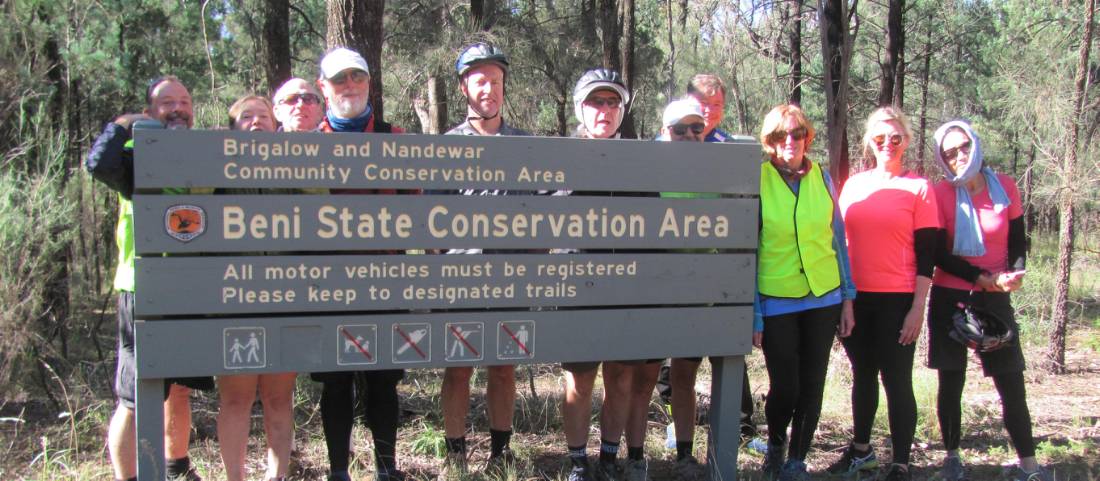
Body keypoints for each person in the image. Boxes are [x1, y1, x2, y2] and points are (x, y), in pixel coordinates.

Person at [84, 75, 213, 481]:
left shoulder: (200, 154)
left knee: (179, 388)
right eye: (167, 102)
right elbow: (98, 164)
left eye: (185, 101)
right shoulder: (134, 154)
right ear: (149, 111)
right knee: (139, 395)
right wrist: (124, 124)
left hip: (189, 288)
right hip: (144, 289)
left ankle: (177, 467)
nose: (178, 109)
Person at [928, 120, 1052, 481]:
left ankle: (1029, 465)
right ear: (942, 158)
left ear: (975, 144)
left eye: (964, 146)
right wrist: (980, 277)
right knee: (951, 381)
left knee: (1010, 381)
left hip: (995, 298)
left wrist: (1016, 273)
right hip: (952, 296)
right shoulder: (939, 193)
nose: (958, 155)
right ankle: (952, 458)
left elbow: (1017, 239)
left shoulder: (1005, 186)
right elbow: (938, 253)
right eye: (949, 152)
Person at [310, 47, 406, 481]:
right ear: (324, 87)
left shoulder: (395, 137)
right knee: (336, 381)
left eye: (357, 77)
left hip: (387, 282)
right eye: (339, 79)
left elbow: (421, 212)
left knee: (383, 379)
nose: (349, 85)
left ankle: (387, 468)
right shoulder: (308, 143)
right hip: (328, 285)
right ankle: (338, 471)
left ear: (369, 82)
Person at [831, 106, 939, 481]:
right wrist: (845, 300)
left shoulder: (919, 188)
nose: (887, 144)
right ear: (869, 142)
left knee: (896, 379)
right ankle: (861, 452)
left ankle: (901, 462)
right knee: (863, 374)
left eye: (895, 137)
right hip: (857, 298)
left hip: (899, 299)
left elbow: (928, 254)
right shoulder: (854, 185)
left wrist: (918, 308)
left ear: (906, 141)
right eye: (879, 137)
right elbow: (840, 245)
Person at [439, 42, 529, 477]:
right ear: (464, 87)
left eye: (495, 80)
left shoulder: (524, 145)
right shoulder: (447, 146)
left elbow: (544, 213)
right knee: (458, 370)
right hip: (461, 279)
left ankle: (500, 453)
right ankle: (455, 454)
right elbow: (429, 220)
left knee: (503, 368)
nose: (489, 88)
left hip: (511, 277)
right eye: (480, 81)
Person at [753, 104, 856, 480]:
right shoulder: (758, 180)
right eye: (782, 135)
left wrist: (848, 297)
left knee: (813, 383)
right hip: (777, 297)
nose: (790, 141)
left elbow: (838, 240)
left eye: (797, 134)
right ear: (771, 140)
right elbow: (750, 250)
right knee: (786, 386)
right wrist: (755, 312)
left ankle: (797, 460)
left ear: (807, 138)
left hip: (824, 296)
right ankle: (775, 446)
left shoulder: (823, 178)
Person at [560, 68, 651, 481]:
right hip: (578, 290)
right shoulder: (560, 159)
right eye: (596, 101)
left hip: (627, 289)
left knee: (621, 377)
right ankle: (578, 462)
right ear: (580, 107)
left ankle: (609, 459)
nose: (605, 110)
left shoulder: (639, 161)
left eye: (613, 102)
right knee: (579, 381)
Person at [215, 95, 297, 481]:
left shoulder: (292, 167)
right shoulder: (216, 168)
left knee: (279, 398)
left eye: (263, 116)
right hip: (236, 300)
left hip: (286, 298)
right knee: (236, 398)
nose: (255, 122)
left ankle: (277, 475)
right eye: (245, 117)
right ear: (232, 128)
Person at [685, 73, 733, 142]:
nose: (710, 110)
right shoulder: (672, 138)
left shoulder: (725, 142)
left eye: (717, 104)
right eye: (703, 102)